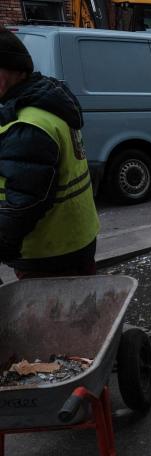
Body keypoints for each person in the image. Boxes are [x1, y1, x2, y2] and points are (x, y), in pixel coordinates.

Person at [0, 28, 100, 279]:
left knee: (56, 317)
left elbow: (24, 203)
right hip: (75, 238)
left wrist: (3, 248)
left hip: (48, 251)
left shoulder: (28, 125)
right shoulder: (49, 101)